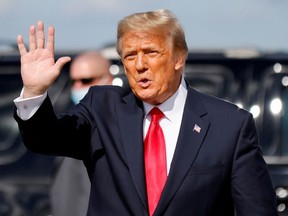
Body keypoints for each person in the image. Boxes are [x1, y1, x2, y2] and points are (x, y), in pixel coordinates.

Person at [14, 9, 278, 216]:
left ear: (179, 58)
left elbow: (256, 210)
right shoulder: (103, 109)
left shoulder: (229, 125)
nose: (139, 65)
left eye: (151, 52)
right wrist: (34, 91)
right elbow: (46, 137)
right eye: (129, 56)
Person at [50, 51, 113, 216]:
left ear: (108, 80)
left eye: (86, 80)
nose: (77, 87)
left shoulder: (116, 124)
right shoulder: (71, 120)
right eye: (73, 81)